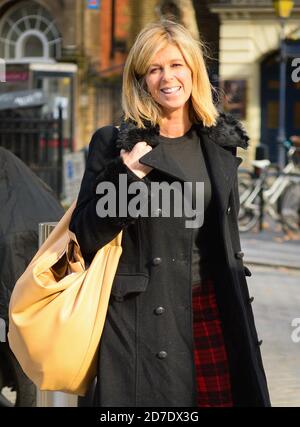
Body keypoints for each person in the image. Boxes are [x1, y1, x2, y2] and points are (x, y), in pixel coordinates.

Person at [69, 20, 271, 407]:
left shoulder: (217, 143)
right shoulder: (115, 144)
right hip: (141, 320)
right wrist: (129, 177)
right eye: (155, 68)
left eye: (177, 65)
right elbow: (85, 237)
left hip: (212, 306)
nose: (167, 78)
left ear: (193, 71)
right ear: (141, 79)